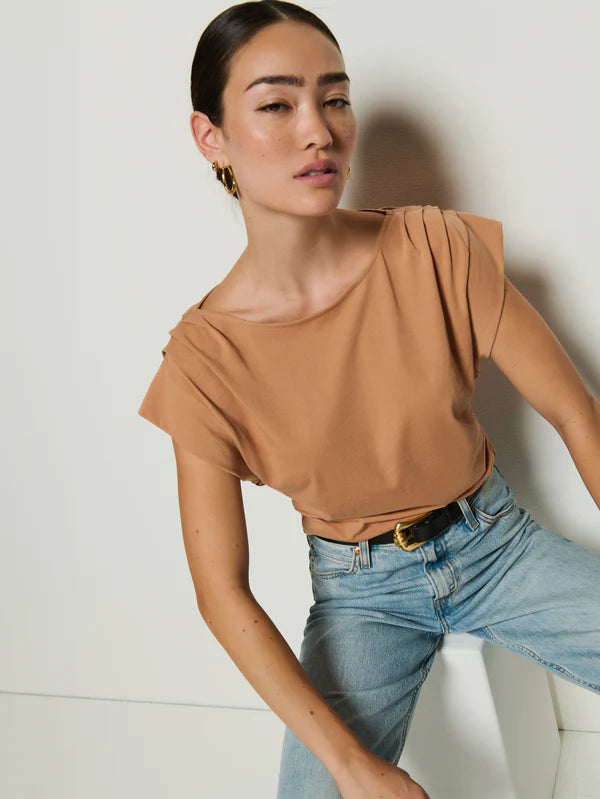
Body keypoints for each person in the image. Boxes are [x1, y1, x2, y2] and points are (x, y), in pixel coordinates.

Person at [137, 2, 600, 797]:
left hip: (499, 548)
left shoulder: (435, 246)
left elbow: (575, 413)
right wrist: (353, 767)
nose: (318, 130)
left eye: (336, 98)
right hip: (361, 598)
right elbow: (221, 593)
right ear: (210, 137)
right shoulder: (203, 362)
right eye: (277, 105)